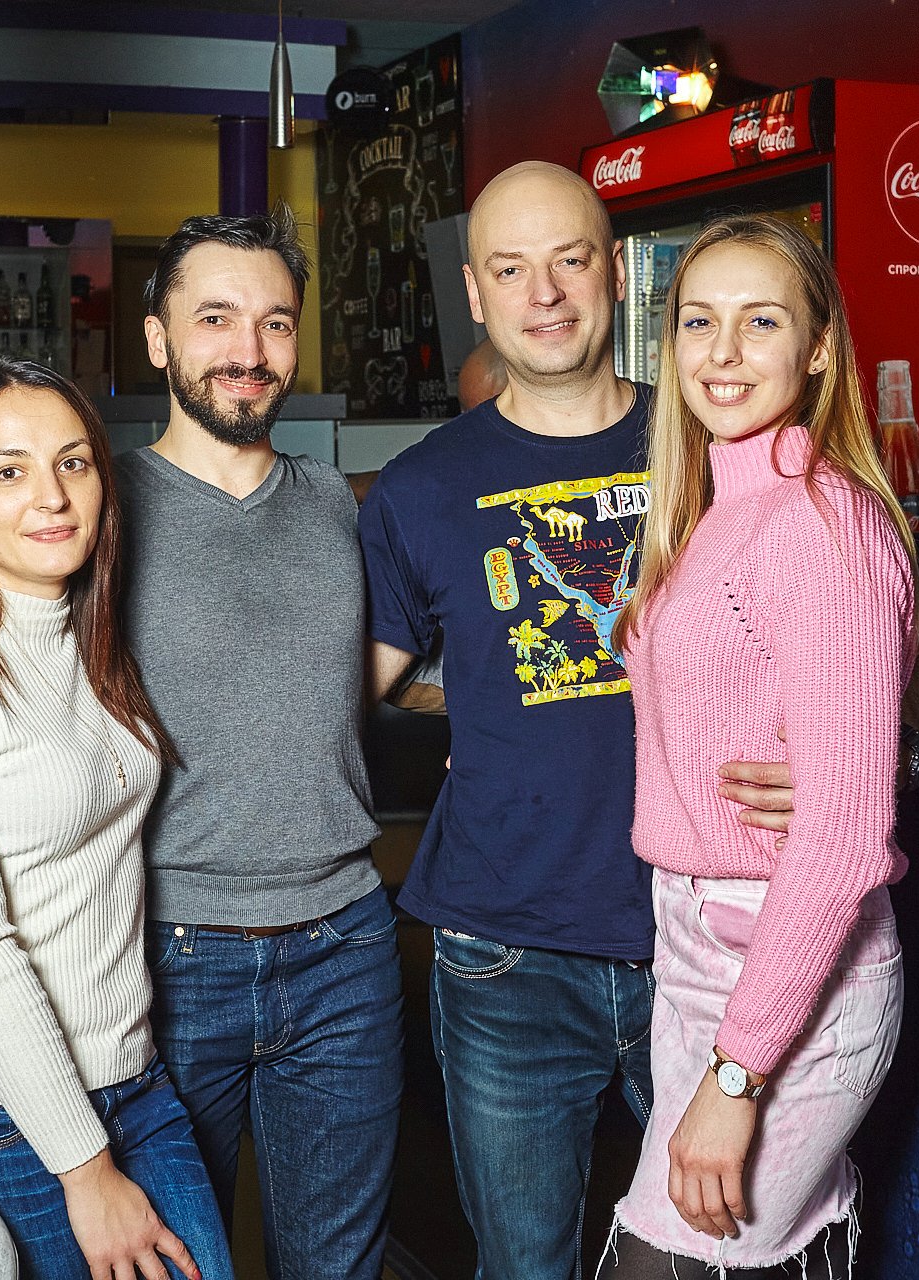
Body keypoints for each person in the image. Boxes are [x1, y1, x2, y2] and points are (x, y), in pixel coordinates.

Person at [0, 207, 404, 1280]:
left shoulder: (336, 507)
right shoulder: (101, 514)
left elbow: (369, 666)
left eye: (275, 321)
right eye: (215, 318)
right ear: (157, 338)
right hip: (170, 953)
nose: (248, 349)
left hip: (339, 947)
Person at [361, 162, 797, 1280]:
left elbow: (885, 620)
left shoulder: (719, 443)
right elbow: (350, 687)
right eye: (511, 269)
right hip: (506, 948)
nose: (544, 293)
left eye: (569, 260)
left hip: (711, 938)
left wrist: (883, 755)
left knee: (729, 1257)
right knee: (525, 1267)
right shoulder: (419, 488)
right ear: (476, 290)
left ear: (615, 271)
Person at [594, 215, 919, 1278]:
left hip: (788, 965)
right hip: (698, 943)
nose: (723, 352)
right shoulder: (711, 504)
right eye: (698, 322)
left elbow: (841, 843)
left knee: (669, 1257)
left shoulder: (824, 526)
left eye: (761, 322)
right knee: (745, 1251)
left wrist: (736, 1076)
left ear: (819, 348)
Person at [0, 358, 232, 1280]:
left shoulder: (90, 643)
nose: (52, 496)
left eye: (73, 462)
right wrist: (85, 1169)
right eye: (8, 470)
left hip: (132, 1081)